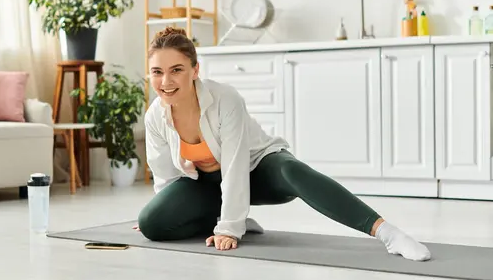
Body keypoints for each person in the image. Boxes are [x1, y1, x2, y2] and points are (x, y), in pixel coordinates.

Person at [136, 27, 431, 262]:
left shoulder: (225, 99)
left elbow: (236, 165)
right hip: (207, 185)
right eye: (157, 72)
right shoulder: (156, 116)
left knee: (291, 170)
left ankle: (387, 233)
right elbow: (165, 174)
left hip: (258, 171)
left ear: (195, 70)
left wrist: (230, 228)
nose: (166, 81)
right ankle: (228, 216)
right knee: (151, 224)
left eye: (176, 70)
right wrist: (167, 209)